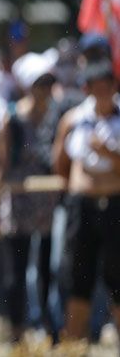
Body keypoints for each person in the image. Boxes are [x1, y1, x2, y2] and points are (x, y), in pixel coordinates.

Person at [0, 51, 61, 341]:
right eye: (39, 84)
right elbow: (2, 163)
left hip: (46, 203)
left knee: (47, 269)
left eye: (47, 84)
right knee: (16, 271)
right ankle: (16, 328)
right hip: (18, 202)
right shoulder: (12, 118)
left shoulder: (58, 117)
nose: (44, 91)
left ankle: (46, 324)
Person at [52, 60, 120, 341]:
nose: (103, 92)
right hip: (82, 207)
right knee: (77, 279)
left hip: (115, 204)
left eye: (107, 86)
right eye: (97, 87)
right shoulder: (73, 119)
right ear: (88, 89)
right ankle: (74, 345)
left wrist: (108, 153)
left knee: (118, 280)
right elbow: (60, 162)